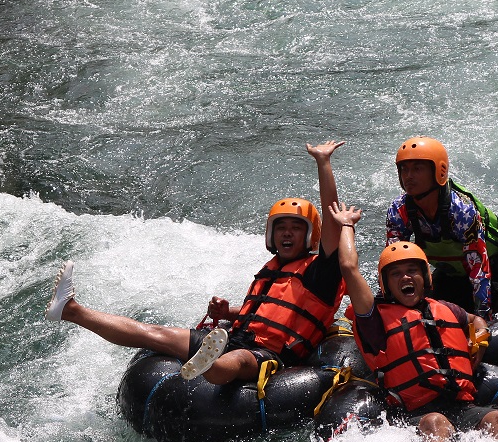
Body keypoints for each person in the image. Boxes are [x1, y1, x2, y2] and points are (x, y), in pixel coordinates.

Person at [45, 141, 348, 384]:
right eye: (281, 227)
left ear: (310, 236)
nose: (287, 233)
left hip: (269, 355)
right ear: (271, 233)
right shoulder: (271, 271)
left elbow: (333, 220)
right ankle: (71, 310)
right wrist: (227, 311)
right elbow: (269, 313)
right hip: (234, 336)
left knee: (240, 361)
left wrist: (323, 163)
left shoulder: (320, 273)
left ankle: (212, 368)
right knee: (156, 333)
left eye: (296, 228)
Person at [332, 201, 498, 442]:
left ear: (425, 277)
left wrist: (481, 336)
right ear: (385, 284)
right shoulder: (373, 319)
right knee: (436, 423)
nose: (406, 277)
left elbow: (475, 319)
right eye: (396, 274)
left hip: (462, 406)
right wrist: (346, 225)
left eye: (412, 270)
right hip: (414, 414)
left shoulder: (446, 309)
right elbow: (348, 268)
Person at [386, 136, 498, 319]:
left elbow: (479, 272)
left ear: (438, 172)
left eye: (417, 169)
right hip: (452, 274)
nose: (408, 176)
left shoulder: (461, 211)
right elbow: (393, 266)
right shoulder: (398, 211)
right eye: (404, 169)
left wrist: (483, 319)